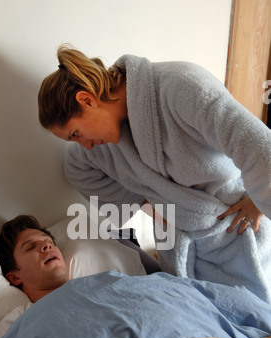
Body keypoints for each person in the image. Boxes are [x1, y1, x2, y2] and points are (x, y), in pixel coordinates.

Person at [37, 45, 271, 302]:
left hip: (238, 234)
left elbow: (259, 145)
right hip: (179, 252)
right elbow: (76, 170)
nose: (85, 145)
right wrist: (147, 203)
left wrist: (257, 202)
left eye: (76, 134)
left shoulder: (182, 88)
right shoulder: (101, 147)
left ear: (87, 100)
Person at [0, 215, 69, 302]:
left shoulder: (87, 283)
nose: (47, 245)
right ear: (15, 277)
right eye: (31, 247)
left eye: (49, 242)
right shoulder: (22, 315)